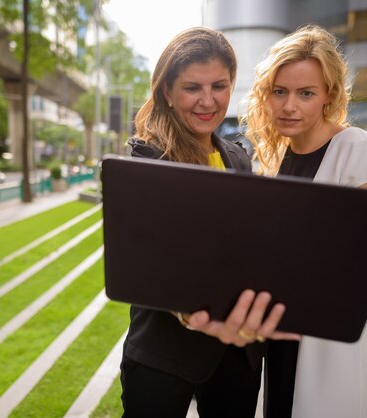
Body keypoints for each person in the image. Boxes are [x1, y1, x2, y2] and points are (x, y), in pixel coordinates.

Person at [121, 27, 299, 418]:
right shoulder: (147, 160)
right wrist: (188, 314)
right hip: (164, 355)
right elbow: (147, 261)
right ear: (166, 91)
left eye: (219, 86)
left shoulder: (236, 157)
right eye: (191, 88)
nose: (208, 101)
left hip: (237, 356)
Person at [242, 25, 367, 418]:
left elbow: (366, 260)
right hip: (280, 331)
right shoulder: (276, 162)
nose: (289, 106)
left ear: (329, 95)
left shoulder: (356, 148)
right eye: (280, 91)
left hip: (327, 338)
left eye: (305, 93)